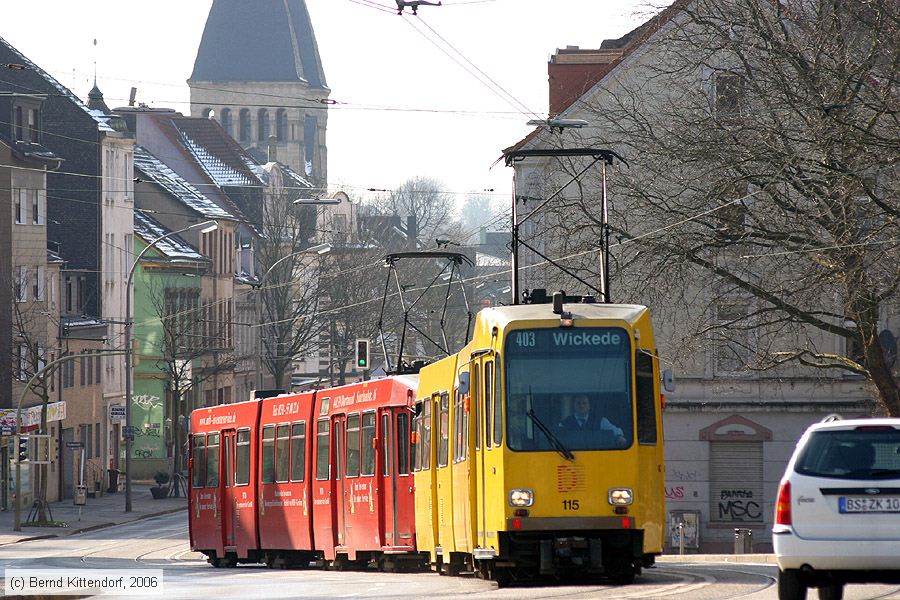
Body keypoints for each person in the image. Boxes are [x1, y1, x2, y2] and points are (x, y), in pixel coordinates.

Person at [558, 394, 627, 448]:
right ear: (574, 406)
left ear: (589, 406)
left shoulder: (600, 421)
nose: (581, 406)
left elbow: (615, 430)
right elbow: (557, 436)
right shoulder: (565, 423)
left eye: (584, 403)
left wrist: (619, 437)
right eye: (578, 403)